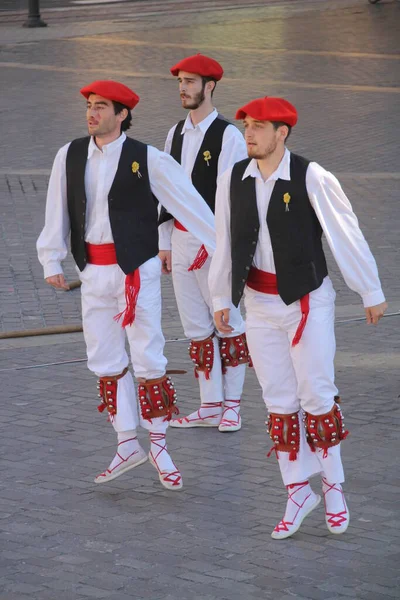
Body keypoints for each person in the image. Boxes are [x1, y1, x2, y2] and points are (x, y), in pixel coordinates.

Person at [209, 96, 387, 538]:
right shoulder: (234, 178)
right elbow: (224, 239)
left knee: (316, 394)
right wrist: (220, 298)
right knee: (277, 399)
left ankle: (334, 489)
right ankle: (296, 492)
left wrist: (369, 288)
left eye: (258, 126)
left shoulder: (312, 176)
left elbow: (345, 230)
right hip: (259, 305)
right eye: (246, 124)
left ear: (281, 133)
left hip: (306, 301)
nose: (248, 133)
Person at [37, 80, 217, 491]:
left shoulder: (147, 159)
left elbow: (190, 204)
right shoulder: (69, 155)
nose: (91, 112)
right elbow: (58, 208)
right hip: (93, 272)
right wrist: (51, 256)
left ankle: (158, 444)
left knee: (148, 356)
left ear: (122, 115)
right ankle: (125, 444)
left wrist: (223, 252)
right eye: (88, 105)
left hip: (137, 271)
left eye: (101, 106)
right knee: (103, 357)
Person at [158, 54, 250, 433]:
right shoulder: (174, 133)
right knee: (196, 327)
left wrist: (215, 243)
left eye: (190, 82)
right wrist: (164, 241)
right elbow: (164, 191)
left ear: (209, 86)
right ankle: (210, 404)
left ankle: (233, 406)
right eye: (180, 81)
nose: (183, 88)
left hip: (213, 244)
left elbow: (235, 198)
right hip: (179, 240)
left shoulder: (229, 136)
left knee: (226, 320)